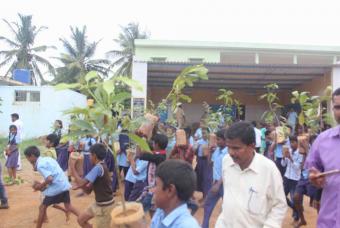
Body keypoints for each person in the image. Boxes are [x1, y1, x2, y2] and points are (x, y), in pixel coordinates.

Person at [215, 122, 287, 227]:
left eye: (236, 148)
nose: (230, 152)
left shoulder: (268, 169)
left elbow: (279, 205)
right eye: (228, 147)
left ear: (252, 146)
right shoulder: (227, 161)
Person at [305, 88, 340, 228]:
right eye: (338, 107)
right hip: (330, 220)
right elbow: (312, 171)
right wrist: (314, 178)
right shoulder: (322, 140)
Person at [24, 146, 79, 228]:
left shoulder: (40, 165)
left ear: (32, 156)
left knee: (42, 207)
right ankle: (84, 220)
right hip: (64, 184)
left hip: (57, 187)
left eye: (27, 158)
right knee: (68, 206)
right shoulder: (47, 159)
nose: (28, 160)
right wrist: (42, 184)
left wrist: (40, 186)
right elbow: (52, 174)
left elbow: (50, 179)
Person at [72, 143, 114, 228]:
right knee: (81, 220)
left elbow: (81, 182)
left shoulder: (98, 168)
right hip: (99, 204)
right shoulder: (99, 167)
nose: (89, 158)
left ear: (94, 156)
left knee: (81, 220)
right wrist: (81, 186)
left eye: (90, 155)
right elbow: (88, 191)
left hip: (105, 207)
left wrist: (72, 167)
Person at [150, 160, 200, 228]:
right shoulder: (160, 212)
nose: (152, 190)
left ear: (170, 190)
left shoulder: (187, 225)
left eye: (156, 185)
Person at [202, 129, 228, 228]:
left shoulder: (228, 153)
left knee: (227, 208)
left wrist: (218, 184)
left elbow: (227, 171)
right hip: (216, 183)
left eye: (219, 139)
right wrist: (209, 152)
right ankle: (204, 226)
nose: (217, 141)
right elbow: (210, 163)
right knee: (208, 205)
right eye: (217, 139)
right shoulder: (217, 150)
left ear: (225, 140)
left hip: (225, 184)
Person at [139, 134, 167, 212]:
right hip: (151, 185)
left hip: (154, 187)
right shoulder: (160, 153)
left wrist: (140, 141)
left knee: (150, 207)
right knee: (151, 207)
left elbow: (140, 154)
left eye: (153, 143)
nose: (152, 144)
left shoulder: (158, 156)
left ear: (157, 145)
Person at [281, 136, 304, 222]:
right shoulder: (289, 151)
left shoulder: (300, 153)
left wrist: (290, 158)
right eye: (291, 142)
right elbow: (283, 165)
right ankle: (295, 209)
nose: (291, 144)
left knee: (295, 198)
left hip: (295, 179)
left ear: (297, 143)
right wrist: (284, 157)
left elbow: (297, 168)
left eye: (293, 142)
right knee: (282, 196)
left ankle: (297, 215)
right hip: (287, 177)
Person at [194, 128, 212, 202]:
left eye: (205, 133)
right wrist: (196, 147)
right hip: (200, 161)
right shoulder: (199, 142)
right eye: (202, 133)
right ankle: (203, 195)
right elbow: (194, 151)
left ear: (208, 133)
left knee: (206, 179)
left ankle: (206, 197)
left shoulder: (210, 142)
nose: (204, 135)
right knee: (200, 178)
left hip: (206, 162)